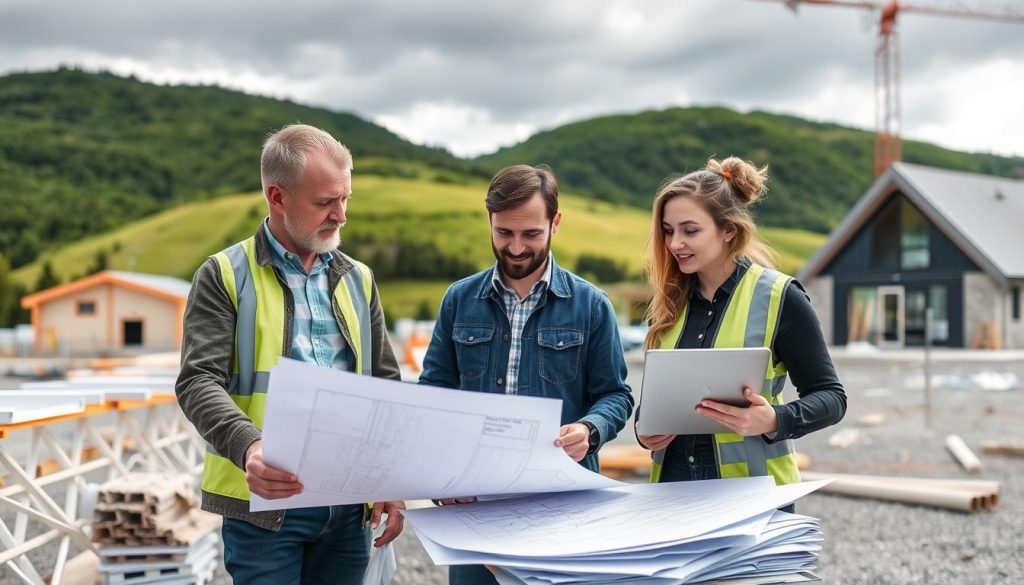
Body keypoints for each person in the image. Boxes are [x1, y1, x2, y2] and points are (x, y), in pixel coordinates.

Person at [175, 124, 404, 585]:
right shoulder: (223, 274)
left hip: (349, 504)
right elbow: (197, 381)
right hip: (266, 507)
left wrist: (390, 479)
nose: (340, 216)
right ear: (277, 197)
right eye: (324, 203)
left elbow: (384, 385)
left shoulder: (358, 277)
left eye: (346, 199)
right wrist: (250, 447)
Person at [418, 164, 635, 585]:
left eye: (531, 234)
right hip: (474, 509)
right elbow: (433, 396)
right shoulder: (458, 300)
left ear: (556, 223)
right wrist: (436, 471)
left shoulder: (591, 306)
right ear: (490, 222)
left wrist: (591, 429)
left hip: (563, 510)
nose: (516, 247)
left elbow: (616, 395)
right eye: (504, 233)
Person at [636, 156, 846, 493]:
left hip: (754, 493)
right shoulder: (668, 303)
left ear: (728, 230)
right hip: (671, 488)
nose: (675, 243)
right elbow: (661, 400)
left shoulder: (781, 296)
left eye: (690, 230)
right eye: (668, 231)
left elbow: (831, 397)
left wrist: (776, 419)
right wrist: (643, 430)